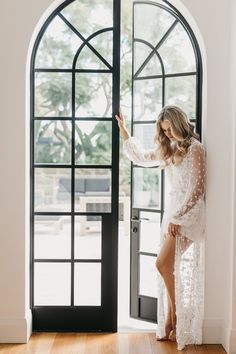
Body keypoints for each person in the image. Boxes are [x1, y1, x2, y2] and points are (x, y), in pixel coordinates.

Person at [116, 105, 206, 351]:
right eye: (164, 131)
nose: (168, 134)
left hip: (189, 216)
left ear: (179, 124)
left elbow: (198, 190)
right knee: (168, 266)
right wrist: (125, 132)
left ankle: (177, 318)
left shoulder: (196, 149)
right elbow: (143, 157)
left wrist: (179, 217)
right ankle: (169, 321)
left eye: (170, 129)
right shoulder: (170, 148)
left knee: (162, 264)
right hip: (173, 216)